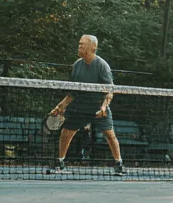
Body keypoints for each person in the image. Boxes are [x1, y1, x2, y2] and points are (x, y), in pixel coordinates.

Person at [47, 35, 123, 175]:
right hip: (79, 106)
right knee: (66, 133)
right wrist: (60, 107)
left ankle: (119, 164)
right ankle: (60, 162)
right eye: (79, 44)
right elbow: (72, 93)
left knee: (109, 134)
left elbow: (109, 91)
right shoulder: (77, 65)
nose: (79, 46)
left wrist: (104, 107)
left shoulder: (102, 66)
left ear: (92, 47)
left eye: (82, 44)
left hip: (98, 106)